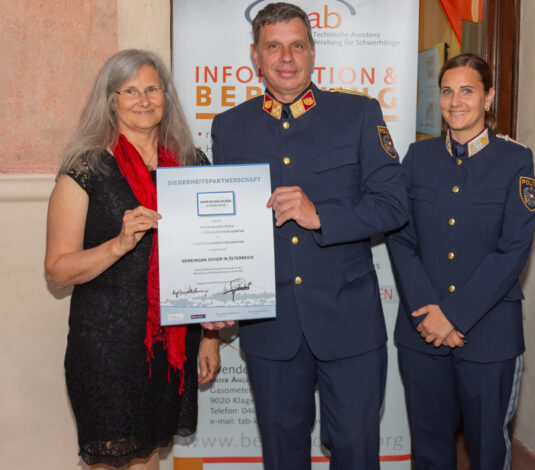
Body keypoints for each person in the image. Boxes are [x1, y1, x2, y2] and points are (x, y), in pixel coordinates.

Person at [208, 3, 407, 469]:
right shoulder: (230, 127)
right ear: (255, 55)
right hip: (270, 328)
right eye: (273, 46)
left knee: (357, 454)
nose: (286, 57)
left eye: (297, 45)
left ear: (313, 52)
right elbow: (225, 229)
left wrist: (323, 216)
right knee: (282, 458)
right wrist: (213, 300)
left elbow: (393, 204)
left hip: (349, 323)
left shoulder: (357, 113)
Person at [45, 49, 221, 470]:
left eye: (152, 89)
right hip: (107, 346)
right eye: (130, 91)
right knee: (112, 460)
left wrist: (212, 335)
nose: (143, 100)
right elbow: (57, 271)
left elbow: (211, 255)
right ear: (110, 100)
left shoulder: (191, 164)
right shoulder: (85, 169)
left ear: (166, 96)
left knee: (148, 458)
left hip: (170, 343)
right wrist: (118, 244)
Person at [387, 53, 535, 469]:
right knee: (429, 449)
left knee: (488, 450)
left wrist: (452, 316)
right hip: (422, 334)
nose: (455, 101)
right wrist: (428, 315)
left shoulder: (515, 161)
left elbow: (513, 250)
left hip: (489, 337)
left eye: (467, 91)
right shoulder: (418, 158)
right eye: (448, 91)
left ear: (488, 98)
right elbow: (401, 238)